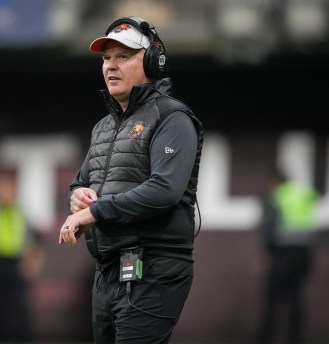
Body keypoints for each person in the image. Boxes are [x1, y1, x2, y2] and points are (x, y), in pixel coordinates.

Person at [58, 16, 204, 344]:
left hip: (154, 267)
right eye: (106, 58)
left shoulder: (173, 118)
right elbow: (81, 182)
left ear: (152, 60)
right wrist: (78, 196)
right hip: (107, 270)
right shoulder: (104, 127)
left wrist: (94, 212)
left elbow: (164, 190)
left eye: (123, 56)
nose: (111, 65)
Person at [0, 173, 45, 342]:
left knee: (19, 306)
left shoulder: (23, 212)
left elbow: (36, 240)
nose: (3, 194)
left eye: (7, 190)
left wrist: (33, 262)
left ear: (14, 192)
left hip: (18, 264)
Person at [257, 168, 319, 344]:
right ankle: (296, 338)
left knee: (271, 297)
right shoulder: (303, 193)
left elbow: (270, 226)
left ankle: (265, 338)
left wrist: (265, 253)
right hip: (305, 252)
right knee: (296, 296)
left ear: (276, 180)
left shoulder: (278, 196)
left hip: (283, 252)